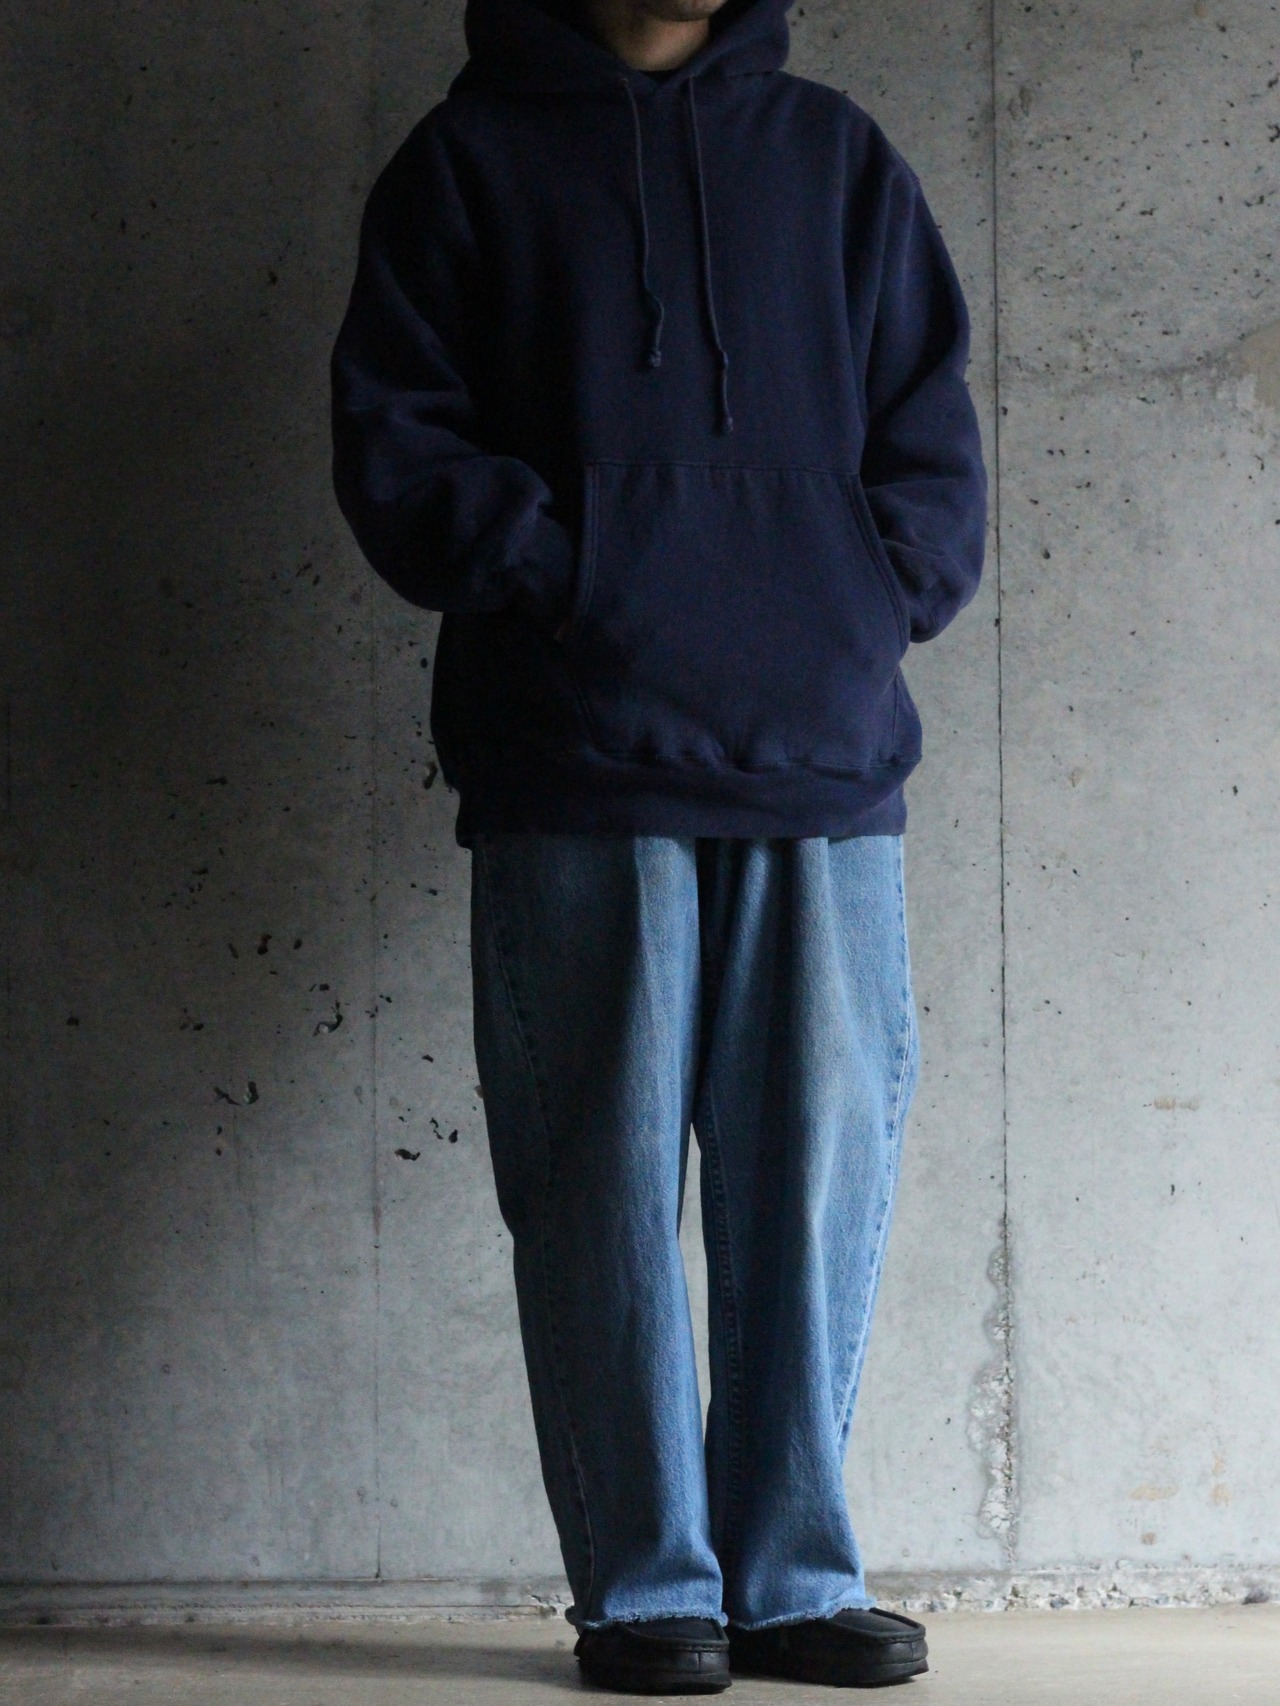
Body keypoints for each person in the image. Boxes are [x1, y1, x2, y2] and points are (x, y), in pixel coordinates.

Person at [330, 0, 986, 1689]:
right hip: (573, 751)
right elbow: (397, 445)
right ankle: (644, 1588)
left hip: (820, 756)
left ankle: (794, 1576)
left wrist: (857, 606)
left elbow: (931, 438)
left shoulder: (836, 162)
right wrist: (575, 578)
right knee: (598, 1183)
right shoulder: (468, 164)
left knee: (816, 1178)